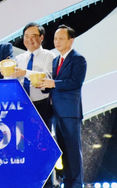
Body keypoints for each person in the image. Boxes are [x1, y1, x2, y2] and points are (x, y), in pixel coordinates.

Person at [38, 25, 86, 188]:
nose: (57, 42)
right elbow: (54, 84)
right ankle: (67, 182)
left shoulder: (78, 59)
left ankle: (76, 184)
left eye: (61, 39)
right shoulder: (56, 60)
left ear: (70, 41)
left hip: (70, 112)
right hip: (56, 111)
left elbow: (75, 83)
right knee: (62, 151)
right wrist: (43, 85)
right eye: (55, 39)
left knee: (72, 151)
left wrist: (53, 83)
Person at [6, 22, 56, 128]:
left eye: (34, 36)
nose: (29, 39)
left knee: (43, 137)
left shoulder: (49, 55)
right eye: (26, 36)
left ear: (41, 37)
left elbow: (48, 77)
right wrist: (6, 73)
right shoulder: (19, 58)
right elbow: (13, 81)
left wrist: (25, 72)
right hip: (21, 104)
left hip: (42, 104)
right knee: (23, 137)